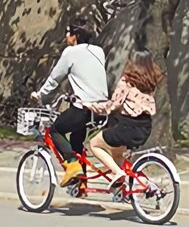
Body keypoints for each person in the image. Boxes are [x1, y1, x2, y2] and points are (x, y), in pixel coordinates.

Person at [30, 17, 109, 187]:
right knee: (76, 139)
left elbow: (54, 79)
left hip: (84, 108)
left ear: (75, 36)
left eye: (68, 32)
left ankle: (72, 165)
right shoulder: (99, 51)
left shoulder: (70, 53)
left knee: (55, 130)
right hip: (101, 110)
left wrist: (41, 96)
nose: (66, 36)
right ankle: (81, 184)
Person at [86, 50, 163, 192]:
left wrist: (93, 106)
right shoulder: (151, 82)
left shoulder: (127, 81)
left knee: (94, 144)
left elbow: (114, 105)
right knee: (117, 153)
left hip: (128, 127)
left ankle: (118, 173)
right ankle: (133, 186)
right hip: (145, 127)